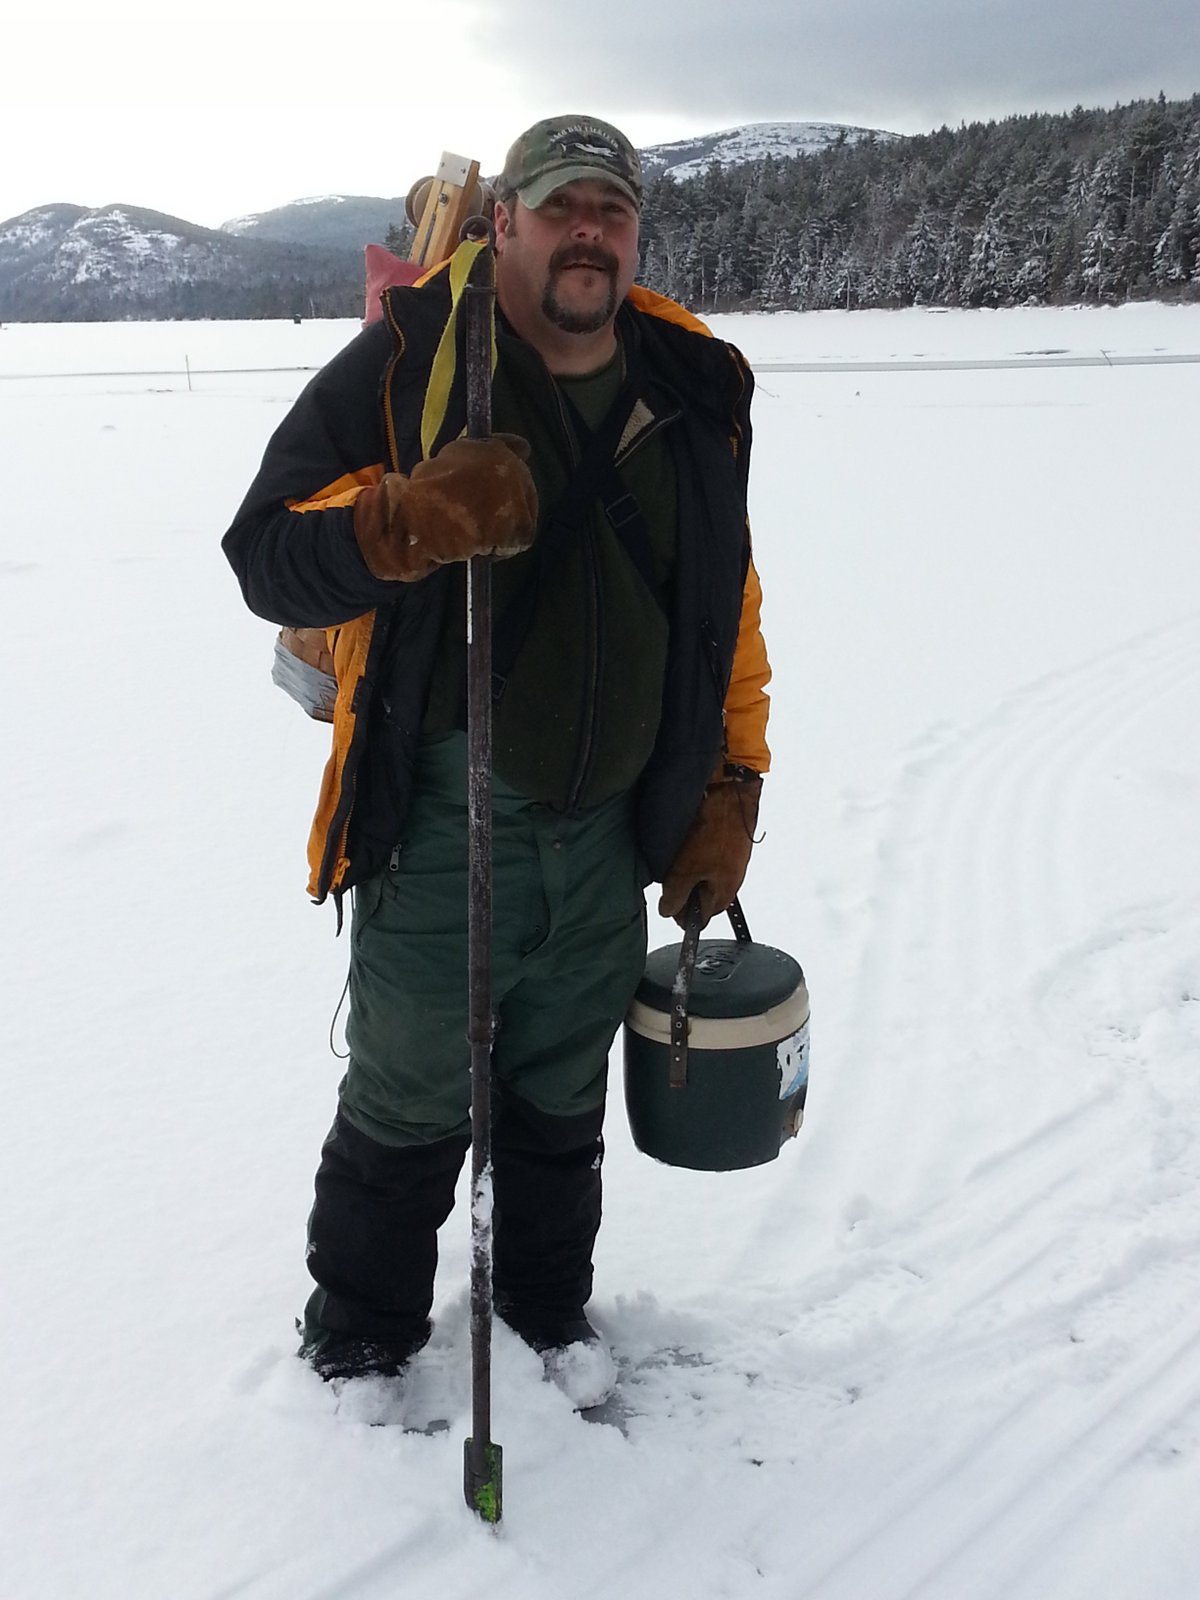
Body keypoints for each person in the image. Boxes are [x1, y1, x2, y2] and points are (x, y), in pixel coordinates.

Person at [222, 114, 771, 1393]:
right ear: (507, 223)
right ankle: (359, 1345)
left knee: (558, 1096)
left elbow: (723, 607)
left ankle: (543, 1318)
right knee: (408, 1099)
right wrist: (399, 522)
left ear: (635, 233)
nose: (590, 232)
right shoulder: (415, 358)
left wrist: (729, 784)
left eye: (613, 210)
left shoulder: (692, 383)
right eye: (562, 206)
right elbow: (264, 549)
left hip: (606, 828)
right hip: (441, 813)